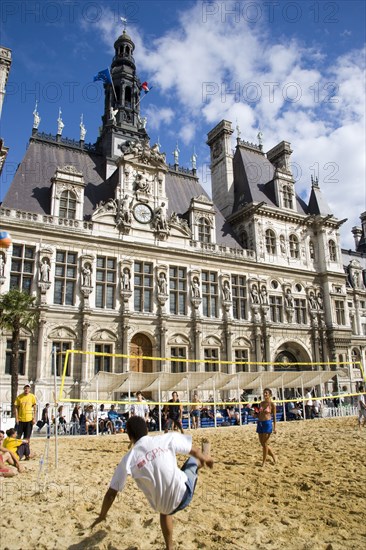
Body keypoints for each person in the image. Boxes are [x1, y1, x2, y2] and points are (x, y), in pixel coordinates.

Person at [91, 416, 213, 550]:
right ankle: (206, 455)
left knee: (164, 510)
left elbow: (111, 493)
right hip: (184, 493)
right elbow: (194, 450)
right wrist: (204, 459)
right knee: (192, 461)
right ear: (147, 430)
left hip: (165, 505)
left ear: (129, 436)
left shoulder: (128, 459)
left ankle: (169, 547)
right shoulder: (164, 438)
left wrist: (102, 515)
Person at [255, 388, 277, 467]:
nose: (265, 394)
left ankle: (263, 462)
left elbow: (274, 417)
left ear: (270, 394)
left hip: (267, 423)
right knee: (262, 443)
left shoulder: (272, 404)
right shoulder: (261, 403)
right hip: (260, 423)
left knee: (265, 443)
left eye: (266, 393)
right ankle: (273, 455)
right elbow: (258, 414)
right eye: (264, 393)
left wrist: (275, 427)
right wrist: (255, 415)